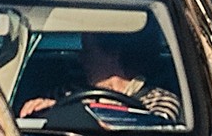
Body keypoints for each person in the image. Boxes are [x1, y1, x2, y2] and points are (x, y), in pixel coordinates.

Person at [19, 32, 182, 121]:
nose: (81, 58)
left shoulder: (159, 100)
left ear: (113, 54)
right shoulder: (67, 93)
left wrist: (73, 114)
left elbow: (153, 134)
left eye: (88, 51)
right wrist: (43, 109)